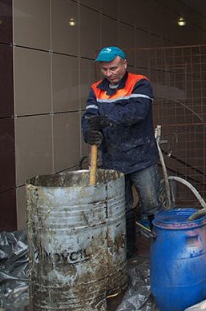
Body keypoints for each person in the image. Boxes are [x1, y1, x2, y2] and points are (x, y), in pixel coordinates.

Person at [81, 46, 162, 257]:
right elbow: (89, 116)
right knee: (121, 208)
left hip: (140, 157)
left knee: (151, 203)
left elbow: (137, 111)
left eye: (114, 68)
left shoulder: (140, 83)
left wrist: (107, 119)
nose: (109, 73)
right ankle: (128, 251)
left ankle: (161, 248)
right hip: (112, 160)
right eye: (105, 69)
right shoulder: (96, 89)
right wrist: (88, 132)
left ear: (125, 63)